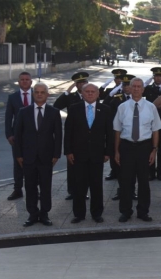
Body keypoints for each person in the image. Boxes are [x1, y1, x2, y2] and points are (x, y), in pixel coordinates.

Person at [113, 78, 161, 222]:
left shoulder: (150, 107)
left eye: (138, 86)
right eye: (133, 86)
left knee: (144, 182)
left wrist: (154, 150)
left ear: (143, 89)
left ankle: (143, 211)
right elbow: (117, 131)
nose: (136, 89)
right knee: (126, 181)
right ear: (130, 88)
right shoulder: (122, 107)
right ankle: (125, 211)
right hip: (127, 147)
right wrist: (116, 151)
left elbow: (155, 130)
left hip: (144, 147)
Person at [14, 83, 62, 227]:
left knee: (46, 186)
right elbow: (18, 135)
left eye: (42, 92)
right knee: (30, 186)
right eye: (37, 92)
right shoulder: (24, 112)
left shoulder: (54, 112)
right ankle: (32, 214)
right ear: (33, 94)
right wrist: (18, 155)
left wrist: (56, 154)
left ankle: (44, 213)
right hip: (28, 156)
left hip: (47, 157)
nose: (39, 94)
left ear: (47, 94)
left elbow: (58, 135)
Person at [64, 83, 114, 224]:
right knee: (79, 185)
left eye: (93, 91)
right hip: (78, 154)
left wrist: (108, 152)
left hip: (97, 154)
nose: (90, 94)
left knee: (96, 185)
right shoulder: (74, 109)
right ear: (82, 94)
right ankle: (79, 214)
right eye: (87, 91)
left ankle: (96, 213)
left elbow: (109, 133)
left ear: (98, 94)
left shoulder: (105, 109)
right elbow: (68, 132)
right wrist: (68, 151)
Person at [53, 72, 90, 201]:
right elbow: (56, 106)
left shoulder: (90, 95)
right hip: (74, 135)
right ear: (76, 85)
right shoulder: (71, 97)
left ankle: (84, 191)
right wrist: (68, 91)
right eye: (79, 83)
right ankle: (72, 191)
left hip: (88, 135)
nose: (82, 84)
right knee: (72, 165)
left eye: (84, 82)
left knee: (86, 166)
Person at [4, 71, 33, 201]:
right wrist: (9, 134)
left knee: (34, 163)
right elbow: (8, 117)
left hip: (34, 136)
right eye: (22, 79)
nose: (25, 81)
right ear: (18, 82)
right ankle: (17, 189)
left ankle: (34, 189)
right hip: (17, 137)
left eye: (27, 79)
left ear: (31, 81)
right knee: (18, 164)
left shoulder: (37, 95)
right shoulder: (13, 97)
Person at [144, 67, 161, 181]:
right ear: (153, 77)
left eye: (160, 76)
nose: (158, 78)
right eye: (156, 76)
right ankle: (151, 172)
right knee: (150, 147)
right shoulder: (147, 89)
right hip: (149, 121)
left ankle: (159, 172)